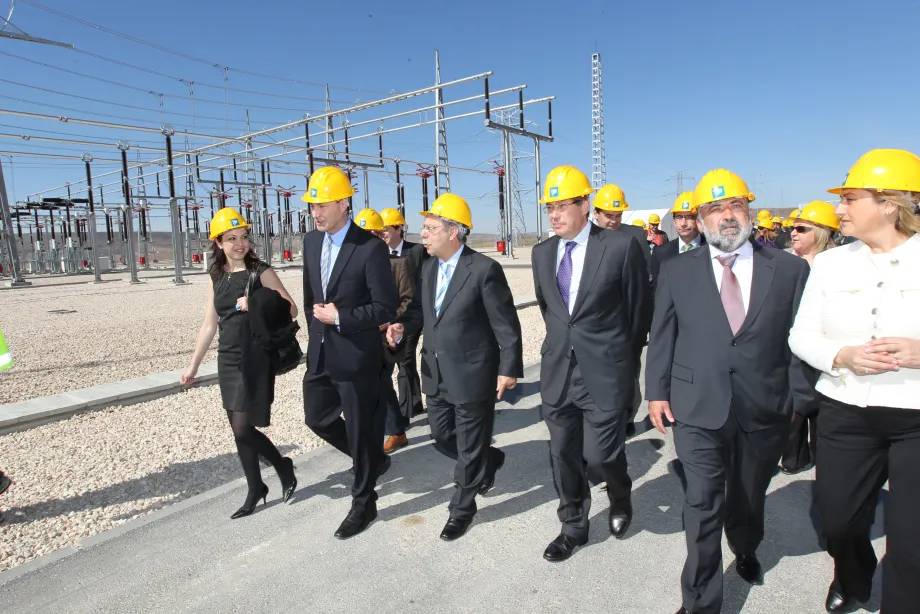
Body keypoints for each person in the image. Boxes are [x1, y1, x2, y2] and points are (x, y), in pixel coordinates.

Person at [646, 168, 812, 614]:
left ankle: (746, 545)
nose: (727, 216)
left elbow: (801, 341)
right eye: (716, 209)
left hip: (764, 406)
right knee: (701, 502)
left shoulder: (790, 269)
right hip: (696, 405)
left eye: (736, 205)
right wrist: (656, 391)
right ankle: (701, 600)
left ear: (750, 211)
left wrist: (797, 399)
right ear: (701, 220)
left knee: (748, 494)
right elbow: (662, 334)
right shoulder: (677, 269)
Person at [788, 148, 920, 614]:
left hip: (915, 418)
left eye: (849, 199)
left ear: (889, 204)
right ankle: (853, 576)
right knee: (838, 521)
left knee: (912, 542)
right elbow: (801, 335)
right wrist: (841, 356)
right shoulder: (831, 264)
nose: (839, 209)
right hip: (845, 410)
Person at [532, 165, 651, 561]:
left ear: (585, 204)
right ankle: (573, 526)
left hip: (604, 371)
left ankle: (620, 494)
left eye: (563, 205)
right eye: (550, 207)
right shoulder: (541, 253)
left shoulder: (619, 246)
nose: (554, 214)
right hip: (558, 372)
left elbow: (638, 312)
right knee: (563, 454)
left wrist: (622, 361)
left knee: (602, 455)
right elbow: (551, 311)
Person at [180, 208, 299, 519]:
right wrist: (193, 366)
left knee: (243, 427)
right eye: (231, 238)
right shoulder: (216, 276)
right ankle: (255, 488)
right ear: (218, 243)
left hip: (254, 357)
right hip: (227, 358)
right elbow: (209, 323)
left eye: (244, 237)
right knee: (238, 430)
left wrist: (256, 302)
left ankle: (283, 466)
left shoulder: (260, 271)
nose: (240, 244)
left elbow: (291, 308)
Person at [300, 167, 399, 539]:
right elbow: (311, 297)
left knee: (360, 429)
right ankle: (371, 458)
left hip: (356, 355)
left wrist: (341, 317)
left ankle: (364, 503)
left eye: (323, 205)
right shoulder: (311, 242)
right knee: (317, 418)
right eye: (313, 206)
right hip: (321, 352)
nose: (316, 213)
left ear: (344, 203)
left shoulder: (370, 248)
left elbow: (385, 307)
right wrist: (316, 333)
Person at [417, 193, 523, 541]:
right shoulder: (428, 268)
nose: (423, 234)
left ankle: (461, 509)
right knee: (441, 435)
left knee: (468, 446)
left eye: (431, 228)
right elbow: (425, 315)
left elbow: (505, 324)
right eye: (424, 227)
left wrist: (508, 368)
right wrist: (401, 328)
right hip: (435, 372)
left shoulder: (483, 269)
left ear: (453, 232)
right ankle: (487, 460)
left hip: (473, 373)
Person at [352, 208, 422, 455]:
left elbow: (408, 300)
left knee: (382, 381)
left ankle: (395, 431)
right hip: (358, 333)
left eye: (371, 234)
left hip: (385, 334)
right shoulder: (353, 265)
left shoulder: (398, 264)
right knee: (368, 384)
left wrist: (388, 322)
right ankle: (386, 428)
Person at [778, 201, 839, 476]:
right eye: (794, 228)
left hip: (829, 348)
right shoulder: (784, 263)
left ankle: (828, 461)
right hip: (791, 346)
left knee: (824, 406)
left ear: (824, 231)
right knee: (795, 404)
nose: (794, 233)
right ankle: (795, 457)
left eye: (802, 229)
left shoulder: (840, 265)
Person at [380, 206, 429, 452]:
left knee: (406, 358)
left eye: (386, 230)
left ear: (399, 229)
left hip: (413, 315)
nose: (383, 235)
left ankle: (404, 414)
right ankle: (414, 403)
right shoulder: (378, 254)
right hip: (390, 319)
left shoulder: (417, 251)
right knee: (402, 363)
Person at [650, 191, 706, 290]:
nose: (683, 223)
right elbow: (657, 291)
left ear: (699, 220)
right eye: (679, 217)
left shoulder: (714, 249)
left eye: (689, 217)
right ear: (674, 221)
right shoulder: (660, 253)